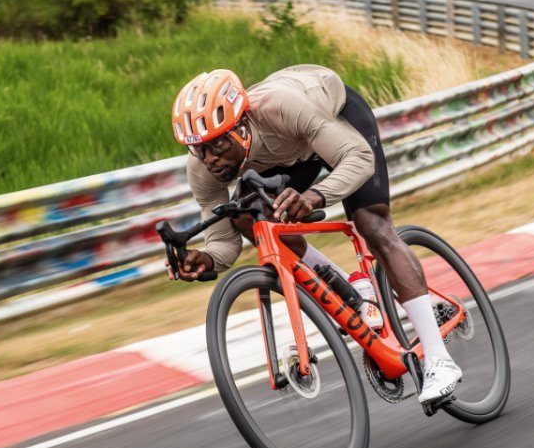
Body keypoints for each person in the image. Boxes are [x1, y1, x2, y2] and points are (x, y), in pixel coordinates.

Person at [167, 65, 461, 403]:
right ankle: (348, 291)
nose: (209, 160)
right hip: (289, 157)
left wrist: (315, 196)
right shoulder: (203, 168)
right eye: (198, 149)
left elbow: (358, 157)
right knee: (248, 217)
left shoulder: (281, 108)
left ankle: (440, 359)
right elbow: (223, 242)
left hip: (336, 122)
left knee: (372, 225)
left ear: (241, 127)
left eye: (217, 145)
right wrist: (204, 260)